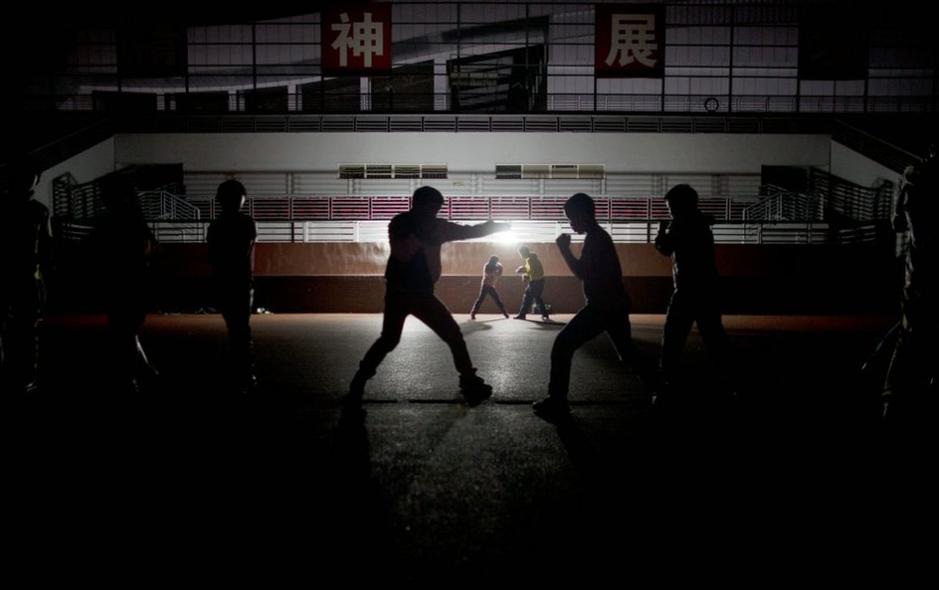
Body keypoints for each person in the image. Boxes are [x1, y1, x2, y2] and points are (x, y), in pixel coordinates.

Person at [348, 186, 510, 405]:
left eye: (437, 209)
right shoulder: (400, 223)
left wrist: (494, 227)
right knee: (391, 339)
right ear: (419, 205)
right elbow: (402, 254)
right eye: (433, 208)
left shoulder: (436, 226)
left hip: (421, 293)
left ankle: (469, 381)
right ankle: (360, 379)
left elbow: (467, 231)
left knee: (450, 335)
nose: (435, 213)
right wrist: (425, 235)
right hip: (402, 293)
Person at [532, 193, 640, 421]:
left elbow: (582, 273)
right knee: (627, 354)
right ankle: (664, 387)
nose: (571, 224)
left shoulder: (596, 239)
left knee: (562, 345)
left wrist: (563, 249)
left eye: (571, 218)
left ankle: (557, 401)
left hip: (603, 306)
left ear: (582, 215)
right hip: (614, 304)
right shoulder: (598, 237)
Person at [654, 184, 729, 397]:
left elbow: (665, 248)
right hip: (707, 288)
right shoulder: (700, 222)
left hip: (687, 290)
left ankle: (667, 384)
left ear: (679, 205)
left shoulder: (680, 223)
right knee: (714, 336)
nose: (669, 212)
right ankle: (727, 381)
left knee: (672, 338)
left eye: (670, 207)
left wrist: (660, 231)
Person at [882, 147, 938, 421]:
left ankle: (891, 397)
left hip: (917, 268)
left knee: (908, 333)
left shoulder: (910, 181)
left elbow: (896, 224)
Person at [93, 173, 158, 394]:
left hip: (122, 285)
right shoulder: (136, 221)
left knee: (122, 331)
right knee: (126, 330)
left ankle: (134, 377)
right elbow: (148, 255)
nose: (102, 198)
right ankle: (142, 372)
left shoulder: (112, 221)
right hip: (134, 284)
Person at [0, 155, 51, 394]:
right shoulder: (39, 211)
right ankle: (26, 373)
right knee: (27, 331)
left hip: (14, 276)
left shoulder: (33, 211)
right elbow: (47, 249)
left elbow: (46, 248)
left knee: (14, 330)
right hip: (28, 277)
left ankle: (14, 372)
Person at [207, 179, 258, 394]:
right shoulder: (247, 223)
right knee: (241, 330)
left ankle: (240, 373)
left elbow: (213, 257)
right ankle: (244, 374)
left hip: (224, 282)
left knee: (235, 329)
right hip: (241, 282)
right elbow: (244, 253)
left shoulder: (215, 226)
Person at [514, 245, 550, 320]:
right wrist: (525, 273)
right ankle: (545, 314)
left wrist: (523, 272)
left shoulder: (531, 260)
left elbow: (532, 271)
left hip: (536, 282)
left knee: (528, 297)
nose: (520, 255)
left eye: (521, 253)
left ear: (524, 253)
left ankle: (522, 315)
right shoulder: (531, 259)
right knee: (537, 298)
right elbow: (531, 271)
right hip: (537, 281)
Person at [470, 255, 509, 320]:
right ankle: (473, 313)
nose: (496, 263)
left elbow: (499, 274)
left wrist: (500, 269)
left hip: (491, 286)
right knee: (480, 300)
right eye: (495, 261)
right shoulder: (487, 266)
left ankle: (505, 314)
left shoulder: (496, 266)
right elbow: (488, 274)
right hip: (485, 285)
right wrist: (497, 270)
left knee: (497, 300)